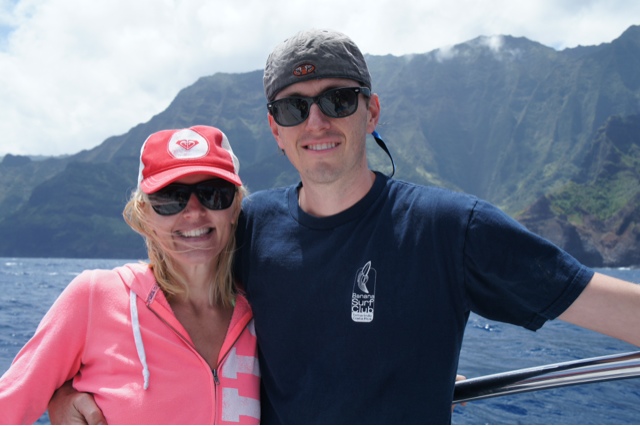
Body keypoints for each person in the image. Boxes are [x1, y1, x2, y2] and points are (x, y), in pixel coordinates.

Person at [49, 29, 640, 424]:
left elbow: (607, 306)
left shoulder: (449, 228)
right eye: (293, 107)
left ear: (371, 111)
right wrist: (63, 392)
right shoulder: (250, 226)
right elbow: (158, 310)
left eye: (338, 100)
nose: (316, 120)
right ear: (276, 130)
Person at [0, 125, 260, 424]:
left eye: (213, 194)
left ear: (235, 207)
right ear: (144, 213)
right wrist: (59, 398)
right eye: (170, 198)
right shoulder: (95, 296)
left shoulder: (261, 314)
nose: (193, 212)